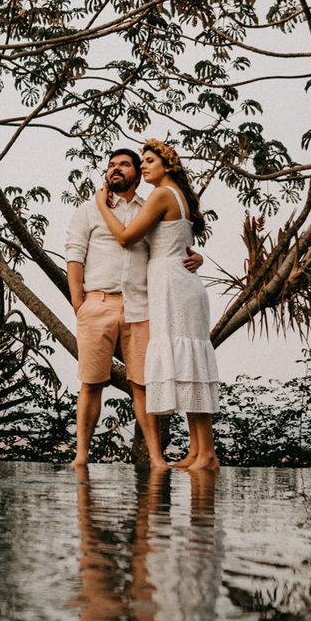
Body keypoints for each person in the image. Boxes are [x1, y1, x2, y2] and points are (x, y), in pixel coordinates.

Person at [64, 148, 204, 470]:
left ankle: (156, 457)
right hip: (96, 303)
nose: (116, 169)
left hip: (141, 306)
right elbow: (74, 254)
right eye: (111, 164)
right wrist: (78, 304)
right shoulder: (88, 210)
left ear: (137, 175)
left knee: (142, 383)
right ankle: (81, 455)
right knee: (91, 382)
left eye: (124, 165)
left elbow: (172, 244)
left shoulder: (150, 207)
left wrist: (197, 258)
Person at [94, 138, 220, 473]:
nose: (145, 165)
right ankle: (197, 451)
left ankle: (206, 453)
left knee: (189, 366)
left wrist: (101, 205)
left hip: (174, 287)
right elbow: (179, 242)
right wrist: (196, 256)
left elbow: (126, 237)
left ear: (168, 166)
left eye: (150, 160)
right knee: (186, 365)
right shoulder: (172, 195)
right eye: (144, 161)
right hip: (172, 283)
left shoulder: (163, 194)